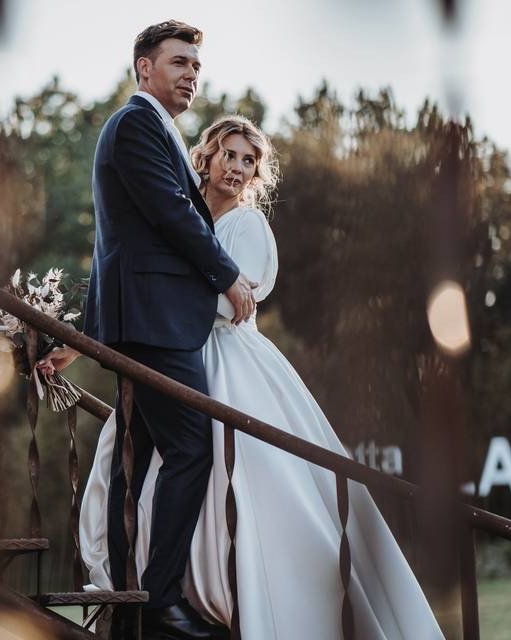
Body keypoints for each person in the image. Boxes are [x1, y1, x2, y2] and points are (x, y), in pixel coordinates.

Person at [41, 116, 444, 639]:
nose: (236, 167)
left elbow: (229, 307)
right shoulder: (178, 219)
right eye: (229, 154)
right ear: (205, 157)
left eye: (248, 161)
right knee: (133, 467)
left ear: (257, 174)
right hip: (166, 355)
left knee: (238, 476)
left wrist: (172, 296)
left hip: (225, 363)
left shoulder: (248, 227)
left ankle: (224, 596)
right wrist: (73, 346)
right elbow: (135, 293)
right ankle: (141, 593)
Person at [67, 19, 257, 640]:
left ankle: (130, 605)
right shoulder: (136, 125)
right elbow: (174, 214)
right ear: (144, 67)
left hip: (153, 318)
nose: (191, 76)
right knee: (192, 447)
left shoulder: (161, 131)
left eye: (196, 68)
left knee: (133, 460)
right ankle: (161, 602)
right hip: (152, 321)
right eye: (179, 63)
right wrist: (227, 276)